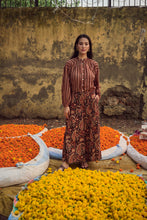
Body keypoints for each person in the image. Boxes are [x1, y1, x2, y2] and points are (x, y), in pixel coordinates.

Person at [59, 34, 101, 170]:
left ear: (89, 47)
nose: (83, 46)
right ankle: (67, 160)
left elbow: (97, 84)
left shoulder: (94, 65)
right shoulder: (69, 64)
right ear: (76, 46)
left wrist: (97, 95)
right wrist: (66, 105)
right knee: (72, 130)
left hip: (90, 102)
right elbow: (66, 85)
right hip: (75, 101)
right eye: (81, 43)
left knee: (88, 130)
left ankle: (84, 159)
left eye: (86, 44)